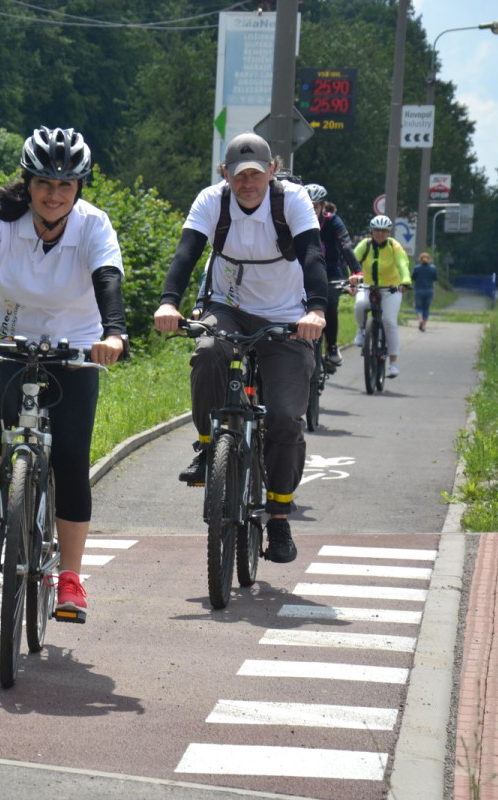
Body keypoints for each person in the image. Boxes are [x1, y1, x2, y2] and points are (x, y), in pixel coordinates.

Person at [0, 126, 127, 620]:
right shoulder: (1, 219)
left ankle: (69, 577)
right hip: (5, 334)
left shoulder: (93, 225)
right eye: (44, 183)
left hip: (74, 341)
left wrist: (114, 335)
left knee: (70, 456)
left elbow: (108, 280)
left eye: (66, 185)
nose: (54, 194)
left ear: (79, 188)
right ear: (27, 183)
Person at [153, 132, 327, 564]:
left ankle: (280, 518)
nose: (247, 183)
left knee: (286, 417)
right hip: (227, 306)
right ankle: (210, 445)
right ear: (225, 174)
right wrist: (168, 302)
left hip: (286, 315)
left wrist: (317, 311)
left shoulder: (293, 202)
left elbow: (312, 257)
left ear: (272, 171)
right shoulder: (213, 201)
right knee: (209, 350)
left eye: (255, 174)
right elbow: (186, 253)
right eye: (238, 175)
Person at [304, 183, 359, 368]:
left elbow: (346, 245)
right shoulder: (295, 220)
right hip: (303, 272)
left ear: (322, 206)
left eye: (316, 206)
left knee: (331, 304)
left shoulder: (332, 221)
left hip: (330, 273)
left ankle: (333, 346)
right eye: (308, 205)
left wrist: (356, 272)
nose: (312, 210)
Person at [350, 215, 411, 378]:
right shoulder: (365, 244)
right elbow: (352, 260)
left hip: (391, 288)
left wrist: (405, 281)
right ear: (372, 231)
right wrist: (353, 278)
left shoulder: (394, 246)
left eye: (384, 231)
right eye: (377, 230)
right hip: (368, 285)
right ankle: (362, 330)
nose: (380, 234)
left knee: (389, 322)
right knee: (360, 305)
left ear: (389, 232)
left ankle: (393, 364)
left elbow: (402, 263)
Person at [412, 251, 439, 331]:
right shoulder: (433, 268)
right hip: (429, 290)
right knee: (426, 308)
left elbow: (412, 277)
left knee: (418, 307)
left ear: (420, 259)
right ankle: (423, 325)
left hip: (419, 290)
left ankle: (420, 320)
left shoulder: (417, 268)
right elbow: (436, 278)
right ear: (429, 259)